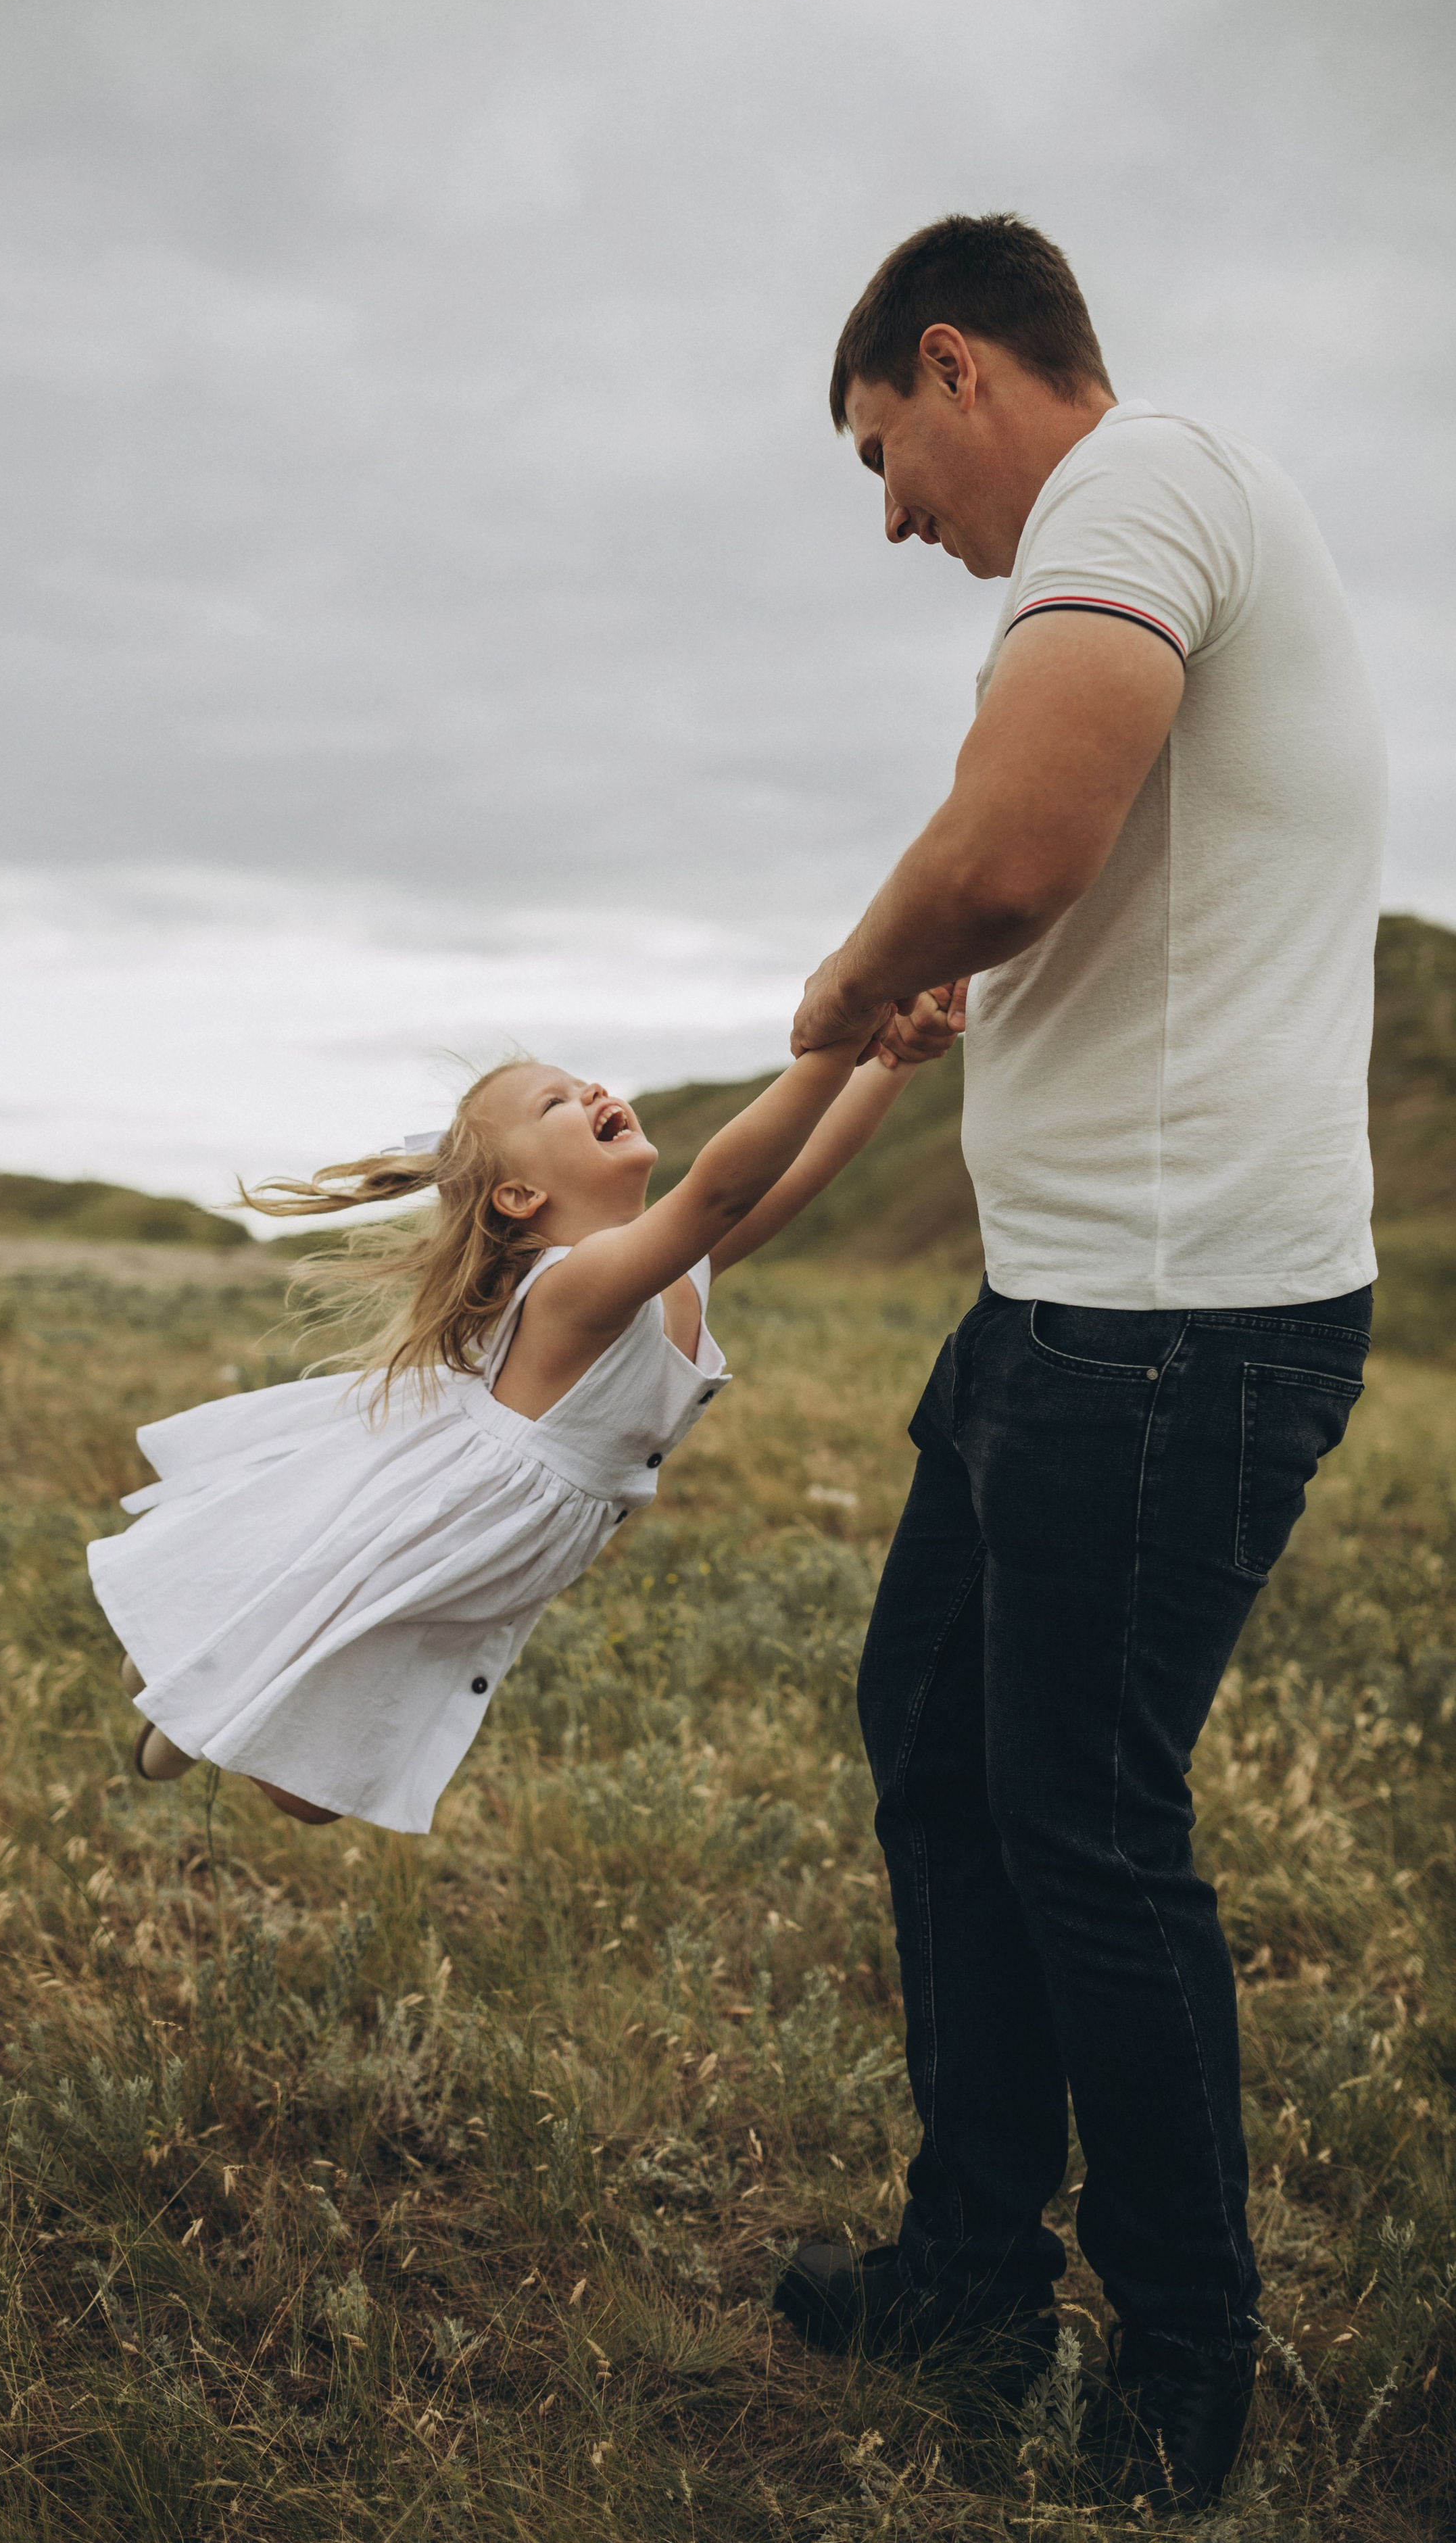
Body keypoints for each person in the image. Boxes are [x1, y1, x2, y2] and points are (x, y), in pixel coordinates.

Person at [771, 214, 1385, 2513]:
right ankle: (968, 2261)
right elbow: (1078, 888)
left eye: (882, 457)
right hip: (1075, 1304)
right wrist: (978, 985)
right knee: (935, 1743)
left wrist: (856, 981)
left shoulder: (1139, 493)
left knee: (1085, 1833)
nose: (899, 515)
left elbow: (1018, 847)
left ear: (956, 366)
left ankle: (1186, 2354)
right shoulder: (1165, 527)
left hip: (1169, 1329)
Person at [89, 1002, 958, 1834]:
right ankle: (184, 1676)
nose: (589, 1093)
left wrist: (890, 1062)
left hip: (514, 1544)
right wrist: (831, 1049)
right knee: (310, 1792)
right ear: (516, 1198)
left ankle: (184, 1674)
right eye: (555, 1102)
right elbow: (722, 1191)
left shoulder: (680, 1265)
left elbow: (798, 1173)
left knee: (330, 1770)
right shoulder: (579, 1283)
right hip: (451, 1527)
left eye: (583, 1083)